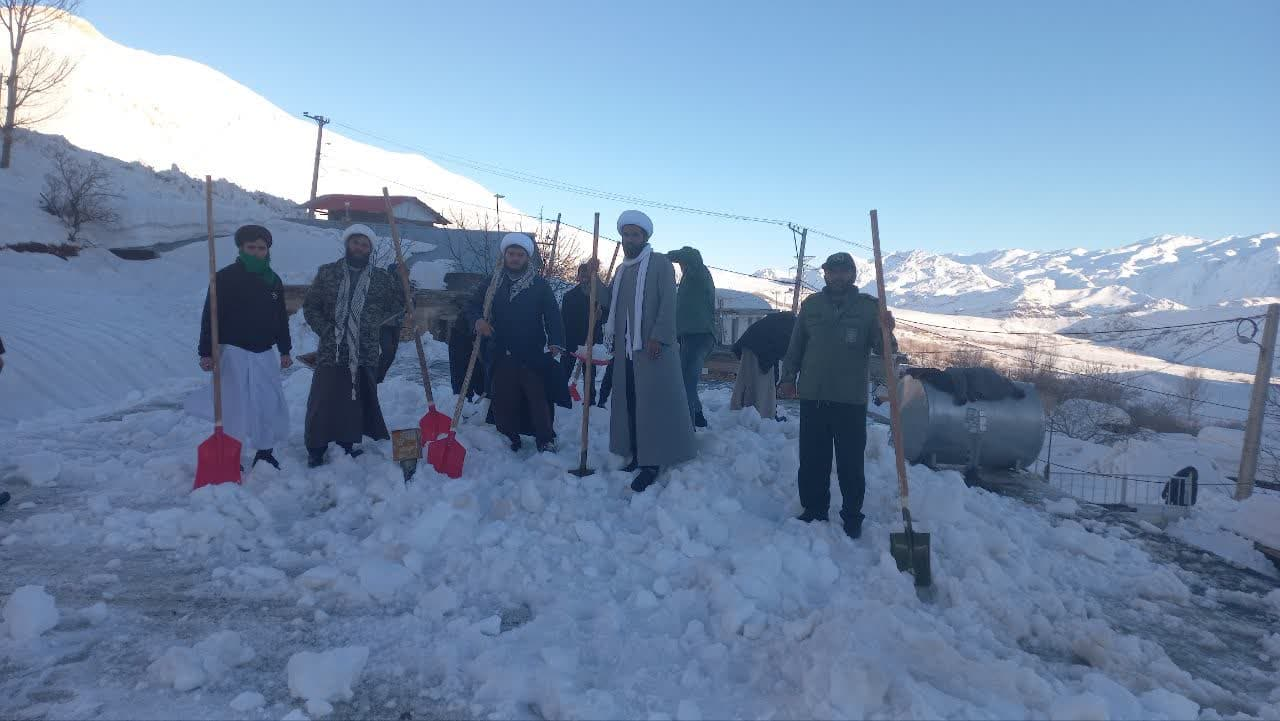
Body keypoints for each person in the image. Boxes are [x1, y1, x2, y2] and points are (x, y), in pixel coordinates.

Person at [779, 252, 894, 539]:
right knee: (812, 460)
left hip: (850, 399)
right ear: (826, 274)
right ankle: (814, 509)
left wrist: (887, 330)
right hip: (814, 395)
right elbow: (796, 345)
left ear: (853, 275)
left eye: (844, 271)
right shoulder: (812, 305)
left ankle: (852, 515)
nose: (838, 276)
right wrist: (788, 378)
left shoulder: (869, 308)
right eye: (833, 271)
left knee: (850, 463)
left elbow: (885, 351)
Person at [598, 211, 697, 492]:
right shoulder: (621, 270)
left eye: (635, 235)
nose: (630, 239)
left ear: (645, 237)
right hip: (627, 351)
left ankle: (652, 461)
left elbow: (668, 301)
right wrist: (591, 284)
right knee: (630, 401)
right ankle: (637, 453)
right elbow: (612, 304)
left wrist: (659, 336)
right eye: (626, 234)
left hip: (652, 349)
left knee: (652, 404)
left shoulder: (660, 264)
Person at [185, 224, 292, 470]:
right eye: (250, 247)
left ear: (268, 250)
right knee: (235, 405)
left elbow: (280, 318)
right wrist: (205, 352)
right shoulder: (225, 277)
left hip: (265, 352)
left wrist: (285, 349)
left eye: (261, 248)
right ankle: (231, 453)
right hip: (233, 351)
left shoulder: (273, 280)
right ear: (241, 248)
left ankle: (265, 452)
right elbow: (209, 317)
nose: (256, 252)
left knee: (266, 401)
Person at [302, 224, 405, 467]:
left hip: (365, 348)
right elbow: (311, 306)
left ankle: (345, 444)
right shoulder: (328, 273)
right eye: (355, 242)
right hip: (332, 348)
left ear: (370, 249)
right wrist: (327, 330)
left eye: (365, 244)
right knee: (323, 399)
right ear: (348, 244)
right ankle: (316, 448)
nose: (359, 247)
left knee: (354, 399)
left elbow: (400, 304)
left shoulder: (381, 278)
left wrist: (402, 280)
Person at [467, 233, 568, 452]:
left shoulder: (539, 285)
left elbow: (552, 314)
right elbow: (472, 305)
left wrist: (555, 341)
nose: (514, 258)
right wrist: (478, 321)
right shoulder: (493, 281)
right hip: (500, 349)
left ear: (527, 258)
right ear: (505, 256)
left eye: (519, 255)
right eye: (511, 254)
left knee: (538, 396)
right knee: (503, 396)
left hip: (531, 351)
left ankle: (545, 438)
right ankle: (508, 436)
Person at [667, 246, 717, 428]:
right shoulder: (689, 279)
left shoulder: (698, 272)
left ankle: (686, 428)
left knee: (685, 382)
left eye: (682, 263)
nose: (681, 266)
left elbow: (692, 255)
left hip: (699, 336)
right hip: (689, 336)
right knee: (686, 380)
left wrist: (661, 257)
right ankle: (697, 416)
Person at [730, 311, 797, 421]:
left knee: (751, 379)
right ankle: (761, 415)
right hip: (758, 347)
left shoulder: (789, 323)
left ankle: (748, 410)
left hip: (752, 344)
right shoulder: (794, 328)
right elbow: (789, 357)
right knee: (762, 383)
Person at [560, 262, 607, 405]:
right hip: (572, 337)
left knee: (589, 371)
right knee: (565, 368)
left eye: (588, 274)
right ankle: (562, 396)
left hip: (590, 337)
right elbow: (564, 319)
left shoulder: (598, 296)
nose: (585, 276)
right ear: (578, 276)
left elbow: (607, 313)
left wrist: (600, 315)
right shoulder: (569, 296)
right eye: (582, 274)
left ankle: (589, 400)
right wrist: (562, 341)